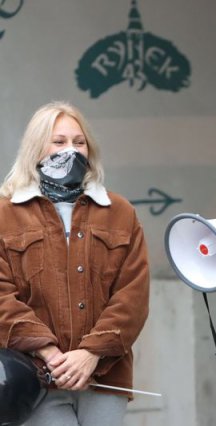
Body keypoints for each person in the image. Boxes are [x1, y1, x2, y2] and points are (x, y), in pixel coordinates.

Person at [0, 101, 150, 426]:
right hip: (34, 376)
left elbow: (132, 295)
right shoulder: (5, 214)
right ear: (36, 149)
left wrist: (91, 354)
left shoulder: (120, 212)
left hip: (106, 375)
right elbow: (1, 297)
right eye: (59, 141)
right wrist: (49, 353)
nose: (71, 149)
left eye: (79, 142)